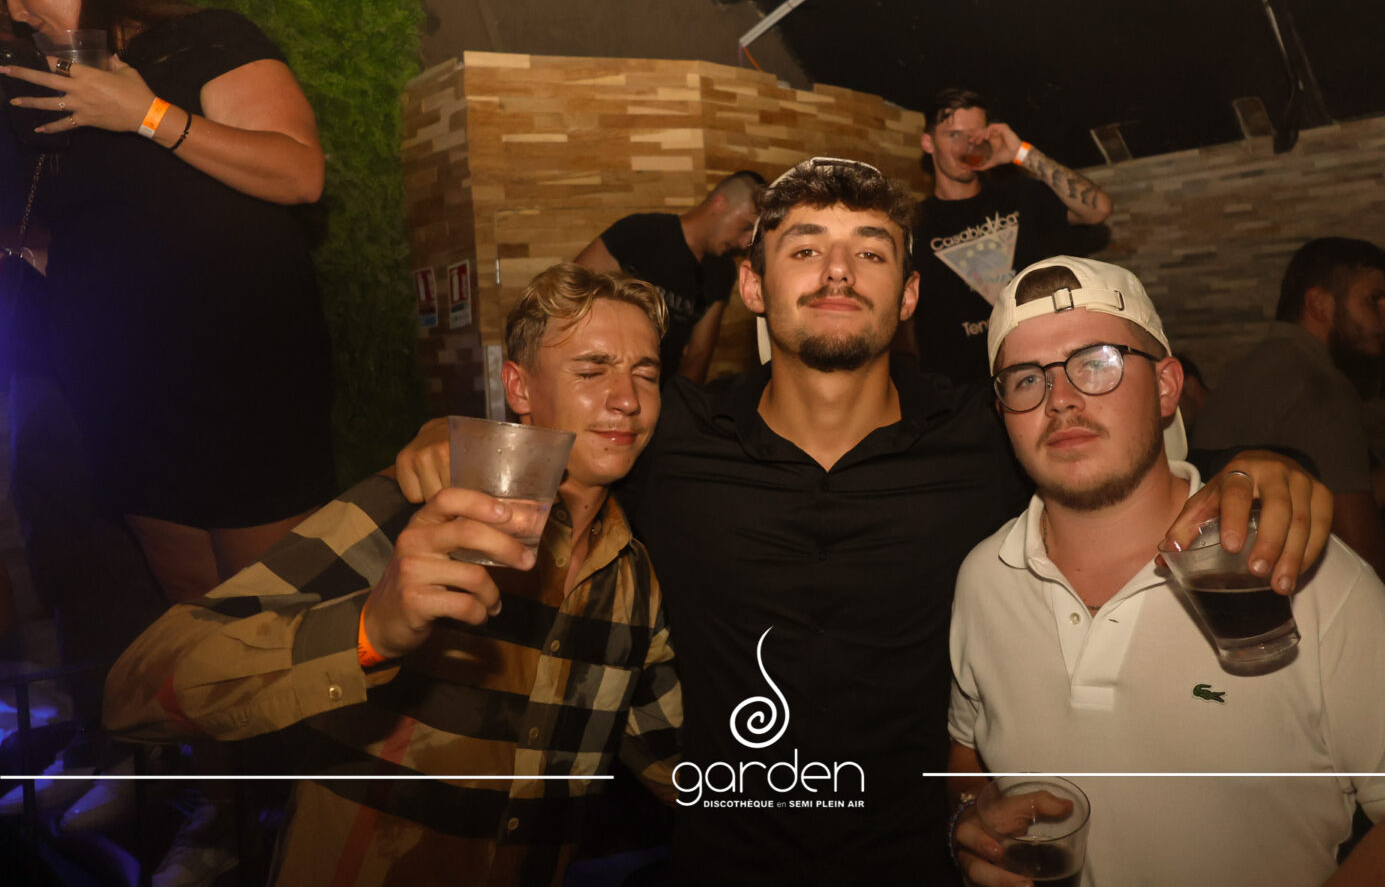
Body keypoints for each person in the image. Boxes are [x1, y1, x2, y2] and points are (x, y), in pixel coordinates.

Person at [397, 158, 1330, 885]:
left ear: (909, 293)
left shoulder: (989, 435)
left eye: (872, 252)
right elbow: (558, 417)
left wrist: (1257, 466)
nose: (838, 270)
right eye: (805, 248)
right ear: (753, 287)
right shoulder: (670, 436)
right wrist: (451, 437)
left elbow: (1129, 455)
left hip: (934, 863)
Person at [104, 264, 684, 886]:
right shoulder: (415, 513)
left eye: (645, 374)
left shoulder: (630, 579)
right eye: (592, 371)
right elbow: (135, 693)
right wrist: (367, 632)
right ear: (519, 387)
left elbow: (679, 767)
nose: (627, 399)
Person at [949, 255, 1385, 887]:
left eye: (1097, 362)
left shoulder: (1296, 567)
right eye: (1026, 379)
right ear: (1003, 412)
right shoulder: (983, 579)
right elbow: (967, 753)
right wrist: (970, 819)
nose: (1061, 399)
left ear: (1167, 387)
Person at [0, 0, 334, 603]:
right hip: (128, 393)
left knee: (271, 618)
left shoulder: (204, 41)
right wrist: (30, 249)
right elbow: (112, 230)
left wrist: (146, 114)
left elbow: (299, 173)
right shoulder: (54, 87)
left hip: (238, 378)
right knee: (195, 623)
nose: (15, 11)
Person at [1193, 237, 1385, 590]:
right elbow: (1363, 551)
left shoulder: (1263, 362)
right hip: (1281, 591)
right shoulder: (1317, 383)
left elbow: (1331, 498)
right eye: (1374, 300)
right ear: (1319, 304)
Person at [904, 88, 1112, 382]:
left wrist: (1021, 153)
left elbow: (1098, 209)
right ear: (928, 142)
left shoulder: (1018, 196)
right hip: (958, 390)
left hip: (1036, 372)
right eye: (954, 135)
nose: (967, 145)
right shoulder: (913, 224)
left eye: (975, 135)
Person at [574, 170, 763, 383]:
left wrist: (679, 402)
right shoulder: (640, 233)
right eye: (747, 227)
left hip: (659, 392)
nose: (745, 243)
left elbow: (698, 356)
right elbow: (569, 293)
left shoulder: (722, 270)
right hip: (601, 381)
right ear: (720, 203)